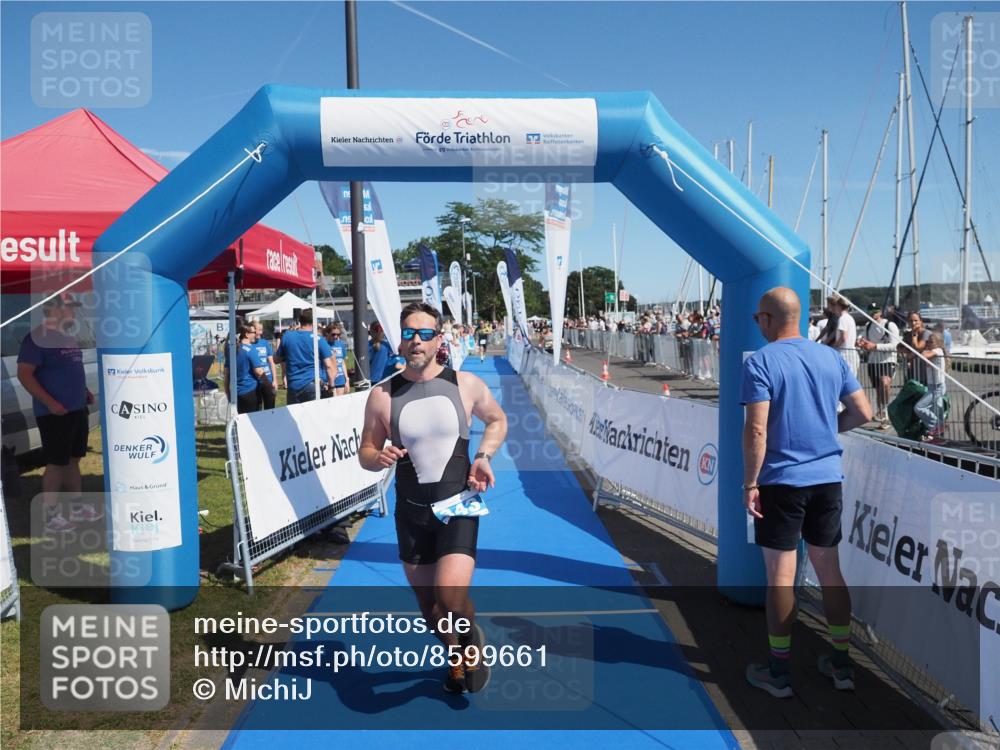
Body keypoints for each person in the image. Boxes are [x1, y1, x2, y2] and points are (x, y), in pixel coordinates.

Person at [359, 302, 508, 694]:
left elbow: (497, 420)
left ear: (439, 339)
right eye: (409, 333)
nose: (416, 341)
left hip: (458, 505)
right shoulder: (381, 395)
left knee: (451, 600)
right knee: (432, 614)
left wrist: (483, 456)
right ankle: (458, 649)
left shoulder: (465, 385)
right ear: (400, 339)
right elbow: (366, 453)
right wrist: (380, 456)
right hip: (411, 514)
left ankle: (469, 637)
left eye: (425, 334)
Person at [741, 287, 873, 698]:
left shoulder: (762, 361)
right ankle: (841, 665)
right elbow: (864, 413)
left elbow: (757, 429)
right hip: (826, 478)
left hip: (782, 481)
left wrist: (750, 482)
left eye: (756, 319)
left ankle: (779, 672)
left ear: (765, 319)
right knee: (829, 571)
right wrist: (822, 434)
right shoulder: (830, 357)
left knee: (780, 576)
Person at [16, 293, 101, 533]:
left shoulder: (67, 337)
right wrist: (51, 403)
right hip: (54, 414)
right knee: (55, 463)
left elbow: (69, 369)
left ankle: (77, 508)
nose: (74, 313)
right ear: (56, 310)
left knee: (73, 460)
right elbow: (24, 374)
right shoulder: (36, 339)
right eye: (71, 308)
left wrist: (84, 391)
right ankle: (51, 517)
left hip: (76, 409)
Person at [274, 308, 336, 404]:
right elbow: (328, 365)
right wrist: (332, 386)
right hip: (312, 385)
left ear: (299, 320)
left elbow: (276, 359)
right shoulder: (318, 338)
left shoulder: (287, 336)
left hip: (294, 385)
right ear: (314, 321)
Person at [857, 304, 900, 426]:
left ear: (881, 312)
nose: (873, 314)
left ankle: (886, 412)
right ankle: (881, 412)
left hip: (888, 360)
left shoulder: (890, 325)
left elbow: (895, 345)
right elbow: (865, 341)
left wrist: (875, 346)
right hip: (873, 362)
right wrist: (861, 344)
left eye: (876, 311)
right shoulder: (868, 325)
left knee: (884, 383)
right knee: (879, 390)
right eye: (871, 311)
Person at [225, 323, 267, 414]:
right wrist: (269, 385)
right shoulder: (250, 350)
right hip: (250, 391)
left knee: (240, 420)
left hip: (236, 393)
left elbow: (226, 373)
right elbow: (259, 372)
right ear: (247, 334)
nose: (256, 334)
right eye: (254, 332)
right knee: (252, 420)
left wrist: (227, 391)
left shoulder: (232, 349)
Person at [914, 331, 947, 442]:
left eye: (930, 341)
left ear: (938, 343)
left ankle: (937, 426)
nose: (928, 343)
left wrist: (924, 348)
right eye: (927, 341)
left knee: (919, 407)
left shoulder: (938, 350)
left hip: (938, 387)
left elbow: (923, 355)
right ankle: (937, 436)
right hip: (932, 386)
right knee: (937, 411)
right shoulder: (932, 351)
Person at [252, 320, 278, 409]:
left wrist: (274, 380)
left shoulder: (264, 343)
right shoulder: (248, 344)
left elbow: (271, 362)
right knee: (256, 409)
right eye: (258, 330)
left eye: (261, 330)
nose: (260, 332)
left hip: (268, 379)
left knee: (270, 408)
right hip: (254, 381)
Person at [324, 324, 350, 395]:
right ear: (327, 333)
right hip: (328, 380)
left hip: (340, 380)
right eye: (333, 334)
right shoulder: (323, 344)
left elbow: (342, 363)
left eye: (338, 334)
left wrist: (347, 380)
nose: (336, 337)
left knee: (340, 403)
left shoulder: (341, 344)